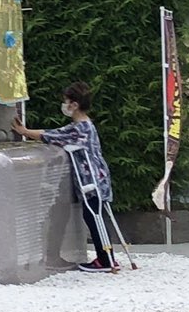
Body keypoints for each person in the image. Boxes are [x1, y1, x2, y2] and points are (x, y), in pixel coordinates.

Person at [16, 81, 116, 271]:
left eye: (67, 101)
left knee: (95, 219)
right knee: (96, 218)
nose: (64, 105)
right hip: (97, 179)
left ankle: (106, 260)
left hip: (91, 181)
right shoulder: (86, 126)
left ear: (75, 104)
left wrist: (24, 132)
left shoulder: (79, 128)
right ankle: (107, 257)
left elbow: (52, 135)